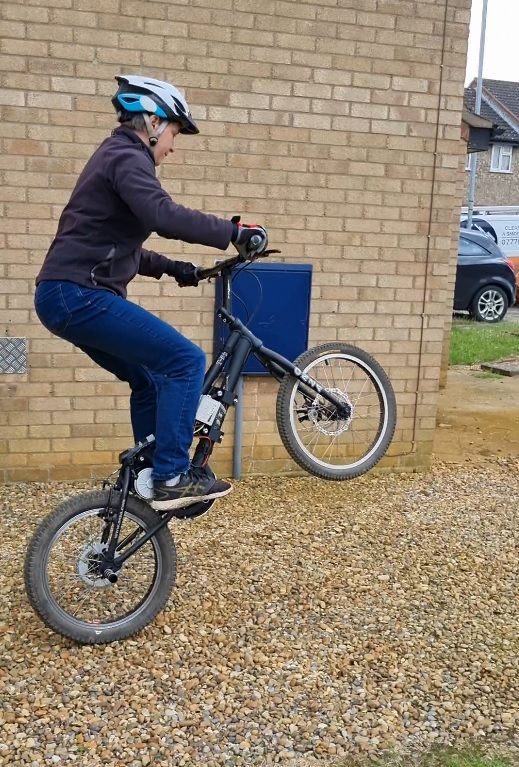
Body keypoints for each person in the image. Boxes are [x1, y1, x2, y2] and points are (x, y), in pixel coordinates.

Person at [34, 74, 268, 512]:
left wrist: (178, 270)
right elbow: (161, 213)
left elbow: (124, 248)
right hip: (78, 294)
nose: (173, 148)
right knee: (184, 360)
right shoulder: (127, 155)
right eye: (175, 134)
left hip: (64, 296)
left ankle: (149, 466)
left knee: (147, 379)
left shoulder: (114, 158)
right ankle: (171, 476)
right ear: (154, 122)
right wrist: (233, 231)